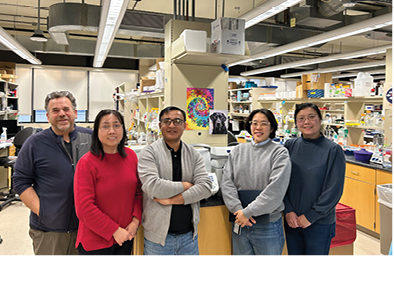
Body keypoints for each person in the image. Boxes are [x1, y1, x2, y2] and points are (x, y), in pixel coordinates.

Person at [13, 90, 92, 255]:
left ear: (75, 113)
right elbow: (20, 182)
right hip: (49, 231)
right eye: (55, 111)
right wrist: (43, 212)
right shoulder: (34, 143)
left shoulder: (91, 138)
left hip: (86, 229)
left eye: (66, 109)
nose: (61, 114)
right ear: (48, 116)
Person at [138, 106, 212, 255]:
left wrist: (173, 200)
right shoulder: (149, 153)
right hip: (158, 239)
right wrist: (185, 185)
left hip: (189, 237)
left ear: (185, 126)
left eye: (177, 121)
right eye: (167, 121)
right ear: (160, 125)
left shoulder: (193, 154)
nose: (172, 125)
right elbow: (153, 187)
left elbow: (205, 187)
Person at [221, 108, 291, 255]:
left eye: (263, 123)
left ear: (272, 127)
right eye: (254, 123)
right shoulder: (238, 151)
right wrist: (238, 210)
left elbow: (275, 190)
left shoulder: (279, 153)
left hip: (267, 226)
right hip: (240, 222)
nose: (258, 127)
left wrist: (248, 212)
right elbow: (227, 182)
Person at [74, 109, 142, 255]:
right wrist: (113, 230)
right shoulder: (86, 163)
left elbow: (139, 193)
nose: (112, 131)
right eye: (105, 126)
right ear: (96, 131)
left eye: (117, 125)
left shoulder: (131, 157)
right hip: (95, 241)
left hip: (125, 237)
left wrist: (135, 221)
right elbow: (84, 208)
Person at [283, 102, 346, 255]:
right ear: (296, 122)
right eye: (301, 118)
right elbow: (280, 182)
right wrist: (288, 210)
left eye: (311, 117)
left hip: (319, 223)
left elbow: (334, 190)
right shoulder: (290, 146)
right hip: (292, 221)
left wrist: (311, 216)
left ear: (320, 119)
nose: (306, 122)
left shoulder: (333, 150)